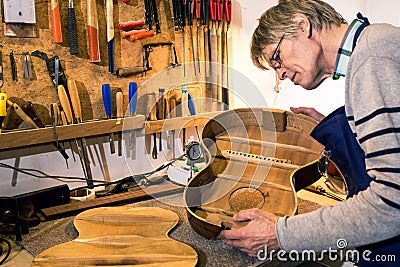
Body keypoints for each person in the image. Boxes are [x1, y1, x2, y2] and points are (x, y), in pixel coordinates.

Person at [220, 0, 400, 266]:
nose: (280, 74)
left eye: (277, 58)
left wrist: (280, 234)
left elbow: (392, 202)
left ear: (301, 25)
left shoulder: (373, 57)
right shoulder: (373, 47)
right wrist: (340, 126)